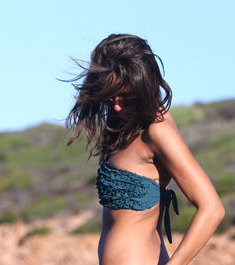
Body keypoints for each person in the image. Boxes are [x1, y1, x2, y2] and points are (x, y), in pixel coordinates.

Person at [64, 33, 225, 265]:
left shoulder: (157, 131)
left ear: (144, 85)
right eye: (111, 97)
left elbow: (212, 208)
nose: (117, 106)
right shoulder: (130, 123)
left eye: (125, 97)